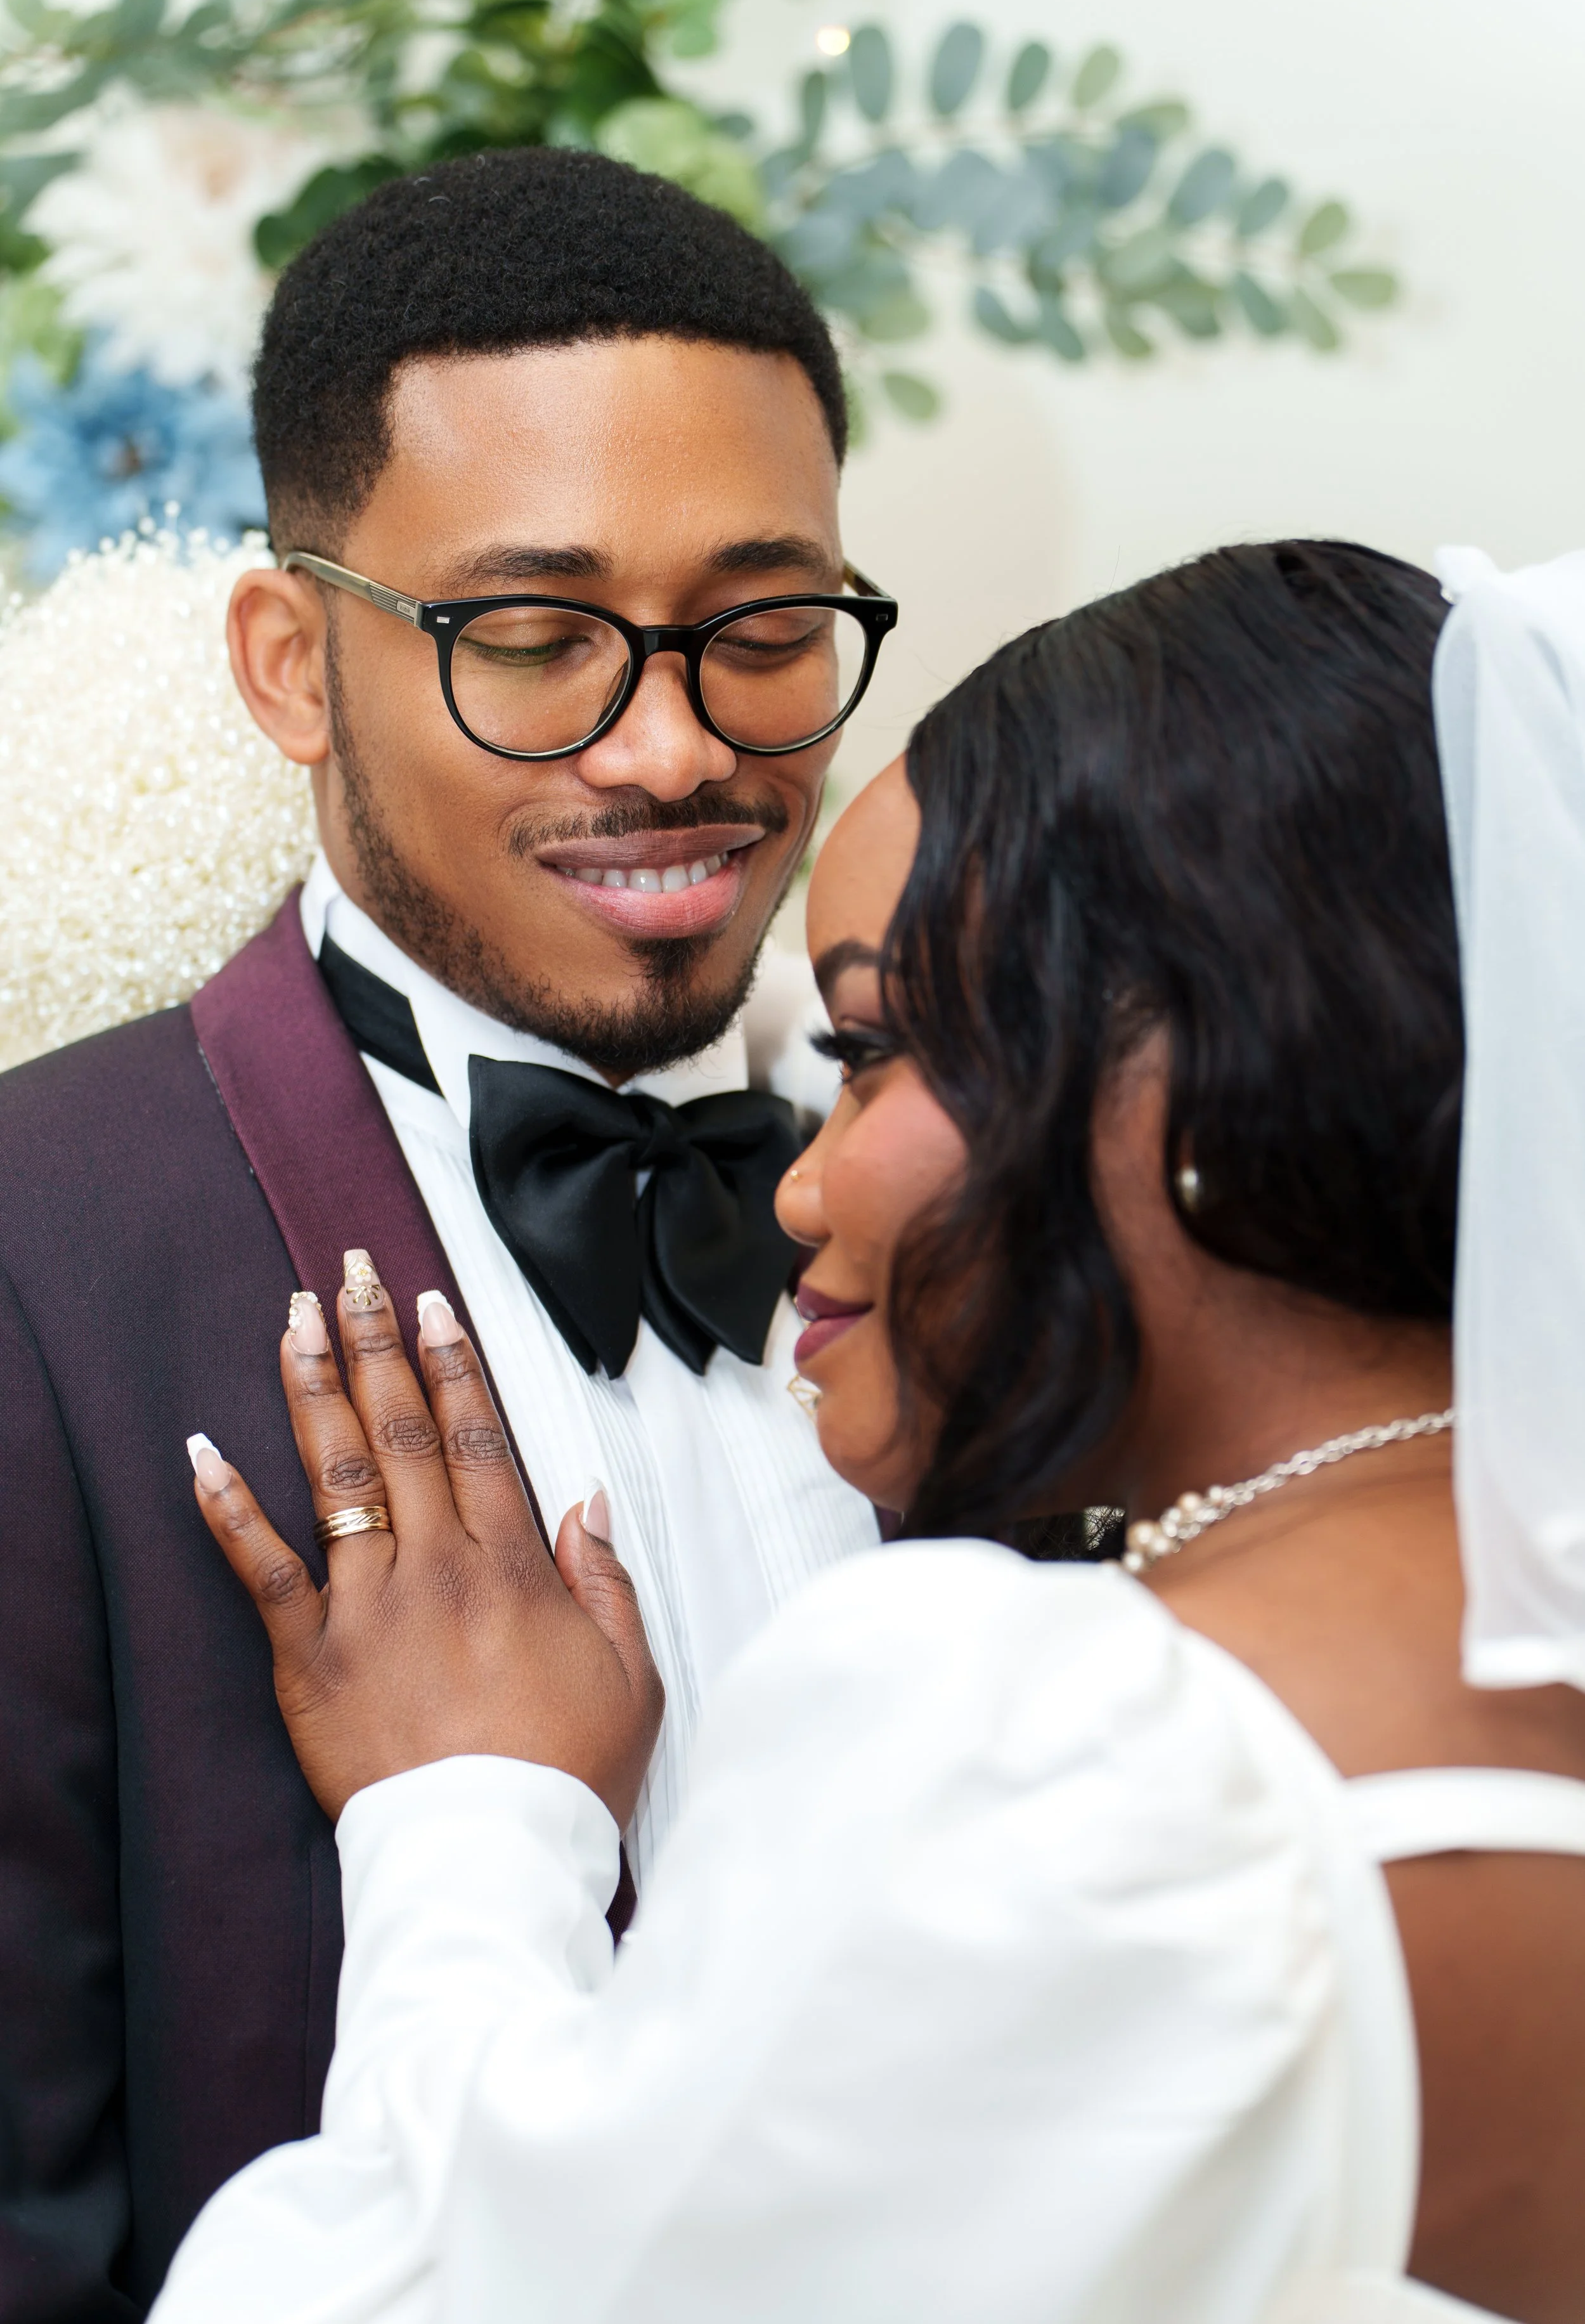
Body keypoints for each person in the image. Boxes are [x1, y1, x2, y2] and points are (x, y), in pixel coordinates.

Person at [151, 538, 1585, 2323]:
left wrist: (471, 1815)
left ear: (1200, 1070)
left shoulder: (1066, 1754)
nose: (799, 1185)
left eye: (868, 1051)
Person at [0, 147, 895, 2320]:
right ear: (291, 665)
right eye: (533, 639)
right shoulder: (44, 1254)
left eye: (763, 630)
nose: (671, 748)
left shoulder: (982, 1182)